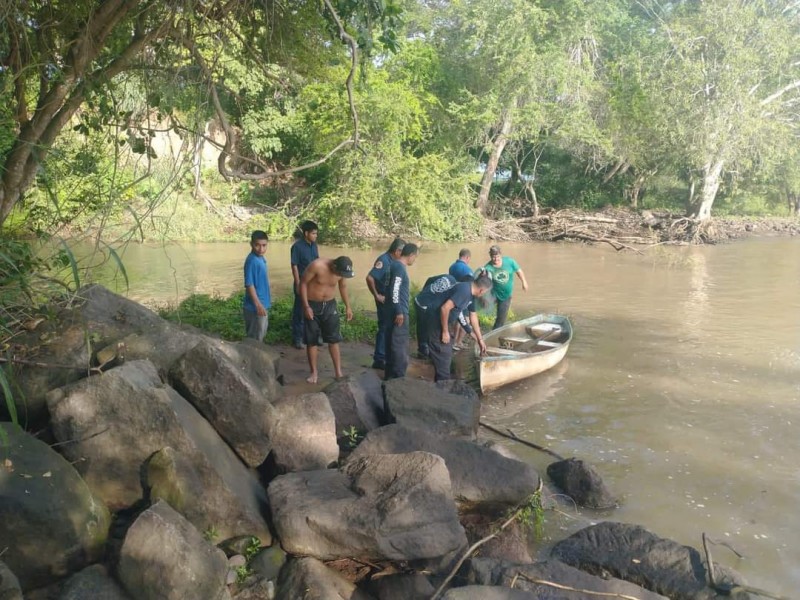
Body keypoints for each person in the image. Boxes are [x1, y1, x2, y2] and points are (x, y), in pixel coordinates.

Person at [415, 272, 492, 382]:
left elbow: (473, 316)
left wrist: (479, 339)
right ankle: (443, 383)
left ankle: (440, 378)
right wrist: (445, 331)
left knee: (446, 351)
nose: (485, 294)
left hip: (441, 322)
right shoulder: (464, 291)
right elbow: (444, 308)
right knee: (443, 353)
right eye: (486, 292)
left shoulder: (471, 293)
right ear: (482, 290)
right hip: (435, 321)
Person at [299, 256, 354, 383]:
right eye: (340, 273)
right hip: (312, 305)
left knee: (333, 339)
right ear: (334, 267)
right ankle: (314, 373)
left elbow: (343, 287)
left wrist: (348, 307)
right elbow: (303, 283)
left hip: (330, 305)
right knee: (311, 340)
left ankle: (338, 372)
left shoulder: (342, 271)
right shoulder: (317, 265)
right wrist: (306, 306)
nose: (341, 275)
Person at [366, 237, 406, 370]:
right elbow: (370, 277)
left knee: (388, 327)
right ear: (397, 251)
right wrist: (376, 295)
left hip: (390, 301)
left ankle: (385, 355)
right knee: (383, 328)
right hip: (383, 300)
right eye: (403, 252)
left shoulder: (395, 262)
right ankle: (379, 358)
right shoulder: (384, 260)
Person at [384, 243, 419, 380]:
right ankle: (398, 378)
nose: (414, 260)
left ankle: (390, 376)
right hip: (399, 312)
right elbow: (395, 289)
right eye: (415, 257)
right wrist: (399, 311)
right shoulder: (399, 267)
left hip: (390, 310)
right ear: (411, 255)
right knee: (399, 346)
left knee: (391, 344)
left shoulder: (393, 265)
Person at [484, 245, 528, 329]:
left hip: (505, 296)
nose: (496, 259)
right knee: (481, 308)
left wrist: (524, 282)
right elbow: (484, 283)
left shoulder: (509, 262)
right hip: (493, 294)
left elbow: (519, 271)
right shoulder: (488, 268)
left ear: (501, 255)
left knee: (501, 319)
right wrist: (485, 297)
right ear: (490, 256)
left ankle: (495, 333)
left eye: (497, 256)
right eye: (493, 257)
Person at [290, 220, 319, 349]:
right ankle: (298, 338)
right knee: (300, 311)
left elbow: (317, 262)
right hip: (302, 282)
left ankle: (313, 337)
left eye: (316, 234)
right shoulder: (297, 247)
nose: (315, 236)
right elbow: (294, 265)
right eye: (313, 233)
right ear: (306, 233)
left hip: (313, 283)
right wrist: (297, 283)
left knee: (314, 310)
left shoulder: (314, 246)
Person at [242, 230, 271, 342]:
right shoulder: (252, 261)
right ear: (251, 244)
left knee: (260, 336)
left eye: (264, 245)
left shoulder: (261, 258)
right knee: (254, 339)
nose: (261, 249)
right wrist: (258, 305)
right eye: (257, 245)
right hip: (255, 308)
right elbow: (249, 284)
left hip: (262, 304)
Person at [448, 248, 474, 350]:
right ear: (467, 257)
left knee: (458, 319)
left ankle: (454, 342)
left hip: (454, 296)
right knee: (466, 320)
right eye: (469, 259)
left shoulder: (452, 267)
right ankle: (459, 342)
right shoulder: (467, 270)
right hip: (465, 297)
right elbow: (471, 284)